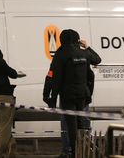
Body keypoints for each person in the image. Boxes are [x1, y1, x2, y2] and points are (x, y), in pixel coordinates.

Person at [43, 29, 101, 158]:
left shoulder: (61, 54)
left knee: (71, 127)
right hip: (83, 96)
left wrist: (47, 96)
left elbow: (52, 75)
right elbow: (97, 59)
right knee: (82, 125)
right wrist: (87, 47)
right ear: (77, 39)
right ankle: (83, 152)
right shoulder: (84, 52)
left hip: (68, 96)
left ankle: (75, 153)